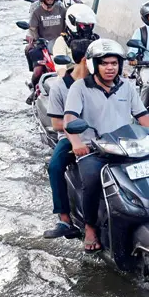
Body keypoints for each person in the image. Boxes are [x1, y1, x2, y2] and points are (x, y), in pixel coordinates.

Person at [63, 39, 149, 253]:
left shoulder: (127, 86)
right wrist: (77, 142)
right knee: (92, 179)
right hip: (94, 149)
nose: (110, 67)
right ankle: (90, 227)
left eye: (114, 63)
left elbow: (142, 115)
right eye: (104, 63)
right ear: (94, 65)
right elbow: (70, 119)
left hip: (128, 146)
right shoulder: (80, 88)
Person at [43, 61, 90, 240]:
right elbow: (56, 124)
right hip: (70, 137)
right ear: (86, 60)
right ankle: (64, 219)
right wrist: (78, 133)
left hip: (102, 135)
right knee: (55, 167)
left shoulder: (102, 82)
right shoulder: (60, 87)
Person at [24, 0, 66, 101]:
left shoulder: (62, 10)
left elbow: (69, 23)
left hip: (61, 44)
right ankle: (34, 91)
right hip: (43, 46)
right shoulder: (37, 12)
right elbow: (32, 29)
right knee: (37, 71)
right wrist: (33, 38)